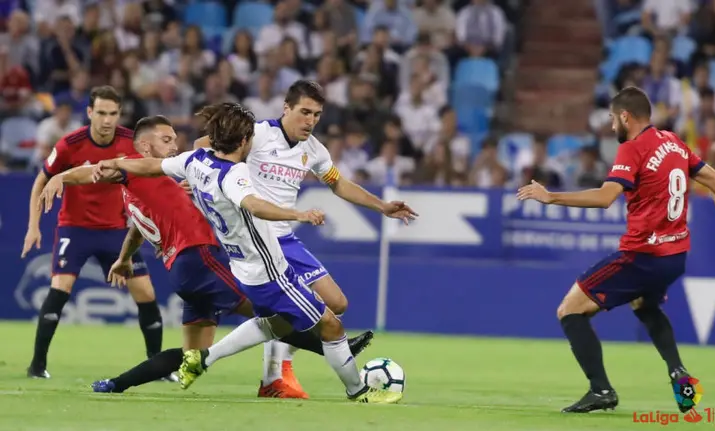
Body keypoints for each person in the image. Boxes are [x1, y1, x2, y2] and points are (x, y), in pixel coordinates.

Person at [38, 115, 373, 393]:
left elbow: (138, 223)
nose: (174, 145)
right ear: (143, 147)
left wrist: (125, 258)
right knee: (273, 312)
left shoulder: (152, 181)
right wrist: (63, 177)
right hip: (201, 258)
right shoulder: (147, 169)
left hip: (183, 272)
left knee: (193, 354)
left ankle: (114, 384)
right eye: (166, 139)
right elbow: (96, 170)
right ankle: (328, 345)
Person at [517, 86, 715, 414]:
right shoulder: (673, 142)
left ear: (626, 116)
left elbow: (604, 198)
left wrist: (552, 196)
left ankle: (600, 390)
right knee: (645, 306)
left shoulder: (633, 148)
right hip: (675, 257)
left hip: (643, 255)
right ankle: (681, 378)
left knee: (569, 310)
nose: (612, 126)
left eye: (614, 119)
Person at [193, 80, 418, 398]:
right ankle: (274, 375)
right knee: (290, 314)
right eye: (305, 112)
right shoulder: (257, 134)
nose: (310, 121)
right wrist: (198, 174)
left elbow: (339, 184)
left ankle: (276, 367)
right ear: (286, 108)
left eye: (317, 114)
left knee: (336, 303)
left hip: (286, 237)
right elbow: (206, 143)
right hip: (258, 240)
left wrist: (382, 206)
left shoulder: (313, 150)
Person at [21, 86, 167, 380]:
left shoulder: (132, 142)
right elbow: (41, 181)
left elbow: (151, 175)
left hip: (116, 231)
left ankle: (157, 367)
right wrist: (33, 226)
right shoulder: (69, 145)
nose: (107, 120)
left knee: (146, 293)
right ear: (89, 113)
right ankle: (37, 365)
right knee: (60, 289)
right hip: (74, 230)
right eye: (101, 113)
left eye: (113, 113)